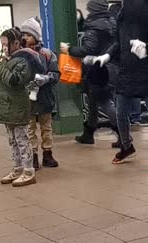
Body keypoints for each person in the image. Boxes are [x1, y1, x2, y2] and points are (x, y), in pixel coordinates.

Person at [94, 0, 148, 171]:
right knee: (120, 111)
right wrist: (107, 55)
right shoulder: (122, 15)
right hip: (127, 71)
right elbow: (119, 43)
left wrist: (146, 48)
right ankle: (127, 146)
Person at [0, 27, 44, 187]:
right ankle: (17, 168)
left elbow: (15, 81)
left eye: (6, 44)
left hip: (18, 105)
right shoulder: (7, 59)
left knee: (22, 139)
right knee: (12, 140)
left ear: (16, 43)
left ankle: (28, 171)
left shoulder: (25, 59)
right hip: (6, 106)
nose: (3, 47)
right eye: (2, 44)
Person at [61, 0, 120, 148]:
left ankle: (124, 133)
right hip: (112, 67)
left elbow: (89, 49)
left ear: (93, 10)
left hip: (99, 69)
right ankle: (89, 133)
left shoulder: (94, 26)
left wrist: (69, 50)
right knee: (93, 100)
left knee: (104, 102)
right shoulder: (112, 22)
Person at [21, 17, 60, 170]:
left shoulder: (48, 54)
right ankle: (33, 156)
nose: (25, 37)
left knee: (46, 127)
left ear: (36, 36)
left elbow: (56, 74)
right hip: (28, 99)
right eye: (23, 34)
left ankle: (48, 153)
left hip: (44, 97)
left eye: (28, 34)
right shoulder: (21, 54)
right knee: (29, 129)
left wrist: (46, 78)